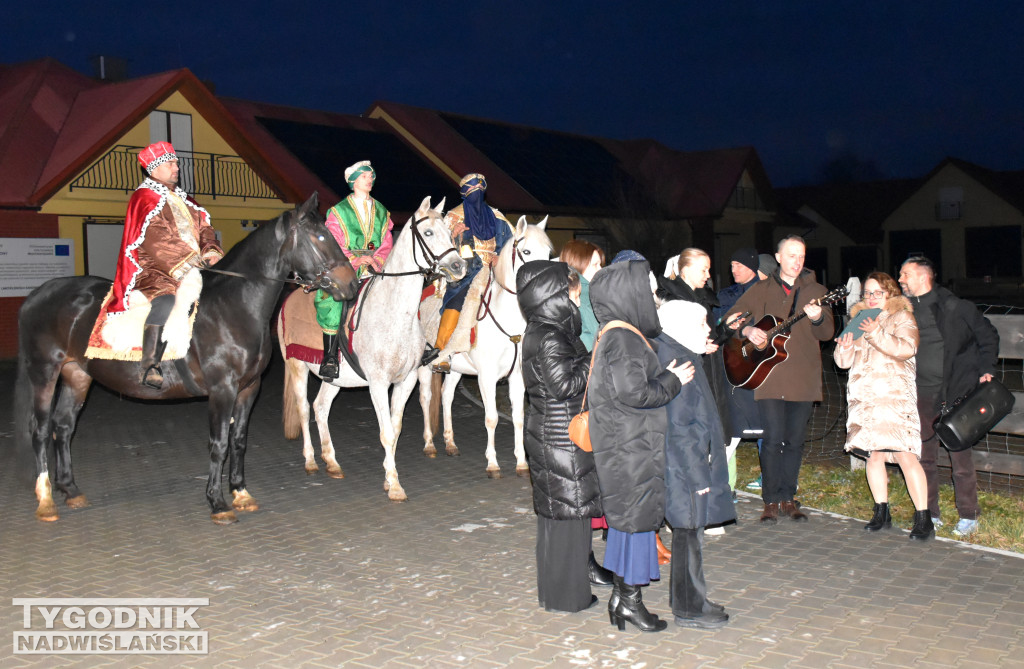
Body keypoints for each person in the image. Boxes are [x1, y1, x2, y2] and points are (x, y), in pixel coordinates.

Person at [588, 253, 693, 632]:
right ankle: (629, 604)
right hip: (630, 447)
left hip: (628, 444)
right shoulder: (623, 338)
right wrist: (672, 380)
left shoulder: (618, 333)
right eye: (647, 282)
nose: (653, 288)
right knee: (634, 523)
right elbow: (635, 393)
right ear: (629, 290)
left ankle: (621, 599)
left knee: (629, 523)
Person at [517, 260, 609, 613]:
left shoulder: (543, 329)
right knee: (570, 519)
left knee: (558, 517)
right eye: (572, 290)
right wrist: (596, 355)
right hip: (561, 435)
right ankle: (570, 599)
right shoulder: (552, 335)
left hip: (552, 431)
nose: (577, 296)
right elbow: (564, 386)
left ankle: (556, 594)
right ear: (552, 294)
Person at [726, 235, 834, 524]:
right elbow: (732, 318)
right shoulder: (761, 288)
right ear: (778, 257)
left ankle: (789, 498)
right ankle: (770, 501)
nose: (797, 261)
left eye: (801, 256)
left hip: (802, 377)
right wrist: (748, 332)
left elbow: (827, 334)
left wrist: (816, 319)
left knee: (795, 442)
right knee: (773, 440)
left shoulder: (817, 290)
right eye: (791, 255)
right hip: (769, 377)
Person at [105, 141, 223, 388]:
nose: (176, 167)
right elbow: (156, 239)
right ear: (154, 168)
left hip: (194, 265)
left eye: (176, 162)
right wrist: (193, 260)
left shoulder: (186, 200)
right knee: (166, 301)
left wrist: (210, 250)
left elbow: (204, 229)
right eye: (170, 163)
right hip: (155, 270)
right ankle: (149, 364)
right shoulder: (144, 198)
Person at [898, 256, 999, 537]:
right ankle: (930, 513)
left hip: (955, 392)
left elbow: (988, 336)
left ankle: (969, 515)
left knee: (960, 459)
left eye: (905, 274)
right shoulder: (903, 310)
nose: (901, 279)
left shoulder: (956, 307)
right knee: (924, 458)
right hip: (920, 394)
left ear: (923, 276)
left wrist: (986, 370)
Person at [835, 272, 933, 540]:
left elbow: (906, 348)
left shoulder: (902, 317)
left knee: (905, 455)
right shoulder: (857, 321)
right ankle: (881, 512)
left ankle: (923, 518)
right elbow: (842, 362)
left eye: (878, 292)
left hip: (894, 398)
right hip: (866, 400)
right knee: (874, 456)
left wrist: (876, 331)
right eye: (867, 293)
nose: (871, 297)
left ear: (889, 294)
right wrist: (843, 347)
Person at [655, 299, 735, 628]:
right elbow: (680, 427)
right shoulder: (677, 362)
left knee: (692, 533)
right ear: (682, 328)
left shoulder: (683, 354)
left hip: (686, 465)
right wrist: (697, 472)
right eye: (702, 324)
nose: (708, 330)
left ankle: (693, 597)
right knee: (688, 534)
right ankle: (689, 608)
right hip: (684, 468)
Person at [314, 160, 395, 379]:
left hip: (376, 265)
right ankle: (330, 357)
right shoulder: (339, 212)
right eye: (365, 176)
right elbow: (333, 240)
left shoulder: (381, 211)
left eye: (371, 176)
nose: (370, 179)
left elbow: (387, 241)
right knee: (333, 298)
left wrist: (376, 259)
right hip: (346, 264)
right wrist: (354, 259)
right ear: (353, 181)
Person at [432, 173, 513, 372]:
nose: (476, 197)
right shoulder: (453, 217)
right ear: (464, 195)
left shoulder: (497, 217)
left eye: (479, 192)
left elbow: (511, 243)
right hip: (466, 271)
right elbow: (439, 249)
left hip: (495, 271)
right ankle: (441, 351)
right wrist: (453, 236)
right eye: (472, 192)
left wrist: (499, 257)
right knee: (457, 299)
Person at [712, 248, 764, 492]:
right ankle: (725, 482)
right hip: (730, 361)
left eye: (739, 265)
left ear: (752, 266)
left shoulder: (764, 291)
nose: (733, 270)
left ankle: (769, 473)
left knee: (764, 419)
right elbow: (716, 323)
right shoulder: (725, 295)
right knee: (732, 419)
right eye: (731, 265)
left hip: (759, 362)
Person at [559, 240, 605, 351]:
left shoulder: (594, 298)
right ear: (576, 266)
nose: (601, 269)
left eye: (600, 264)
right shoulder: (575, 303)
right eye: (595, 265)